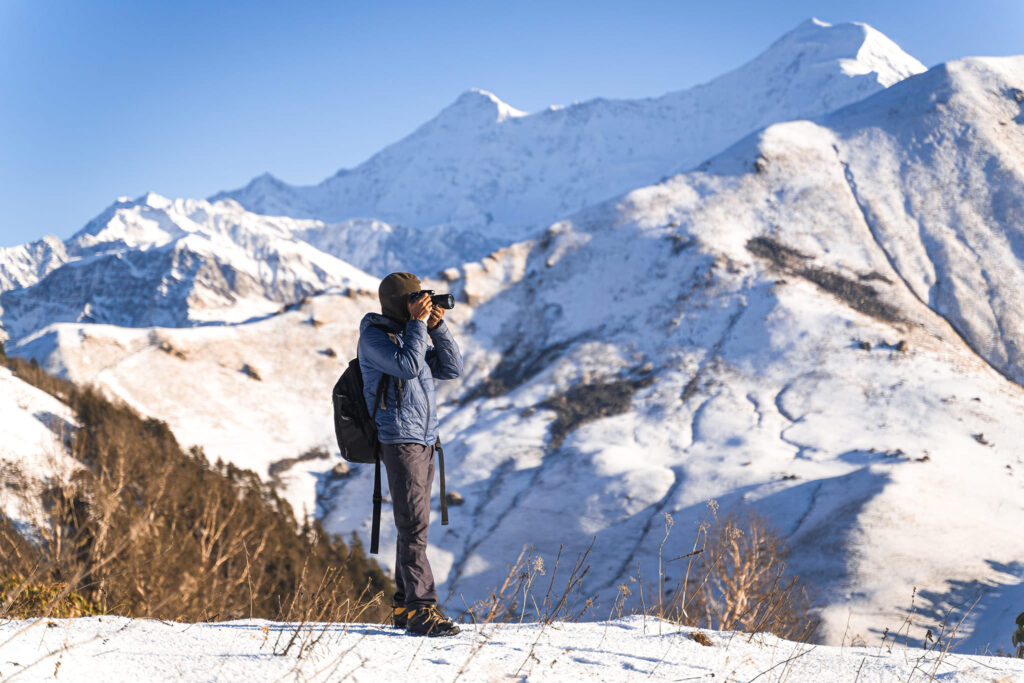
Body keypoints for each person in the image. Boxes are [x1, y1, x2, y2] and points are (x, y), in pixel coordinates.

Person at [358, 272, 463, 637]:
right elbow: (409, 366)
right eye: (415, 299)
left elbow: (451, 368)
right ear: (400, 303)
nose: (422, 303)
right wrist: (418, 326)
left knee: (413, 525)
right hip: (400, 440)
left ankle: (405, 605)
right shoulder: (375, 338)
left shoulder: (409, 335)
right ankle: (421, 610)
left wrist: (437, 328)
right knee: (414, 526)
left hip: (425, 440)